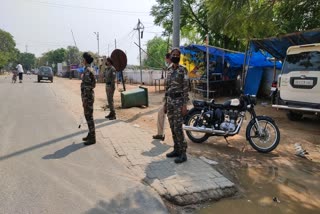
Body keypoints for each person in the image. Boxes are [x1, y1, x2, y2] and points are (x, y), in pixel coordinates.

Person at [164, 48, 189, 164]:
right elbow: (166, 88)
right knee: (172, 126)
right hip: (170, 101)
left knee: (178, 127)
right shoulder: (168, 70)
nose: (175, 56)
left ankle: (183, 153)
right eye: (173, 54)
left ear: (179, 56)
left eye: (177, 55)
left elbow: (185, 88)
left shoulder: (183, 70)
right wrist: (165, 103)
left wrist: (184, 105)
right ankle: (176, 149)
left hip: (179, 102)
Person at [152, 53, 172, 141]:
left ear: (168, 59)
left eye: (166, 59)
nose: (165, 61)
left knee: (164, 115)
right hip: (169, 97)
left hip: (172, 98)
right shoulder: (170, 68)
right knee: (161, 114)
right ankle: (160, 134)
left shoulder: (173, 68)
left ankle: (161, 134)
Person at [81, 52, 96, 145]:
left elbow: (87, 86)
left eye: (83, 59)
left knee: (89, 117)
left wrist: (85, 100)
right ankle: (90, 134)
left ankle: (92, 138)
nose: (82, 61)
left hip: (88, 97)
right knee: (88, 116)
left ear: (85, 60)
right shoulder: (90, 70)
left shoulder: (87, 71)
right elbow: (93, 84)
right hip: (88, 96)